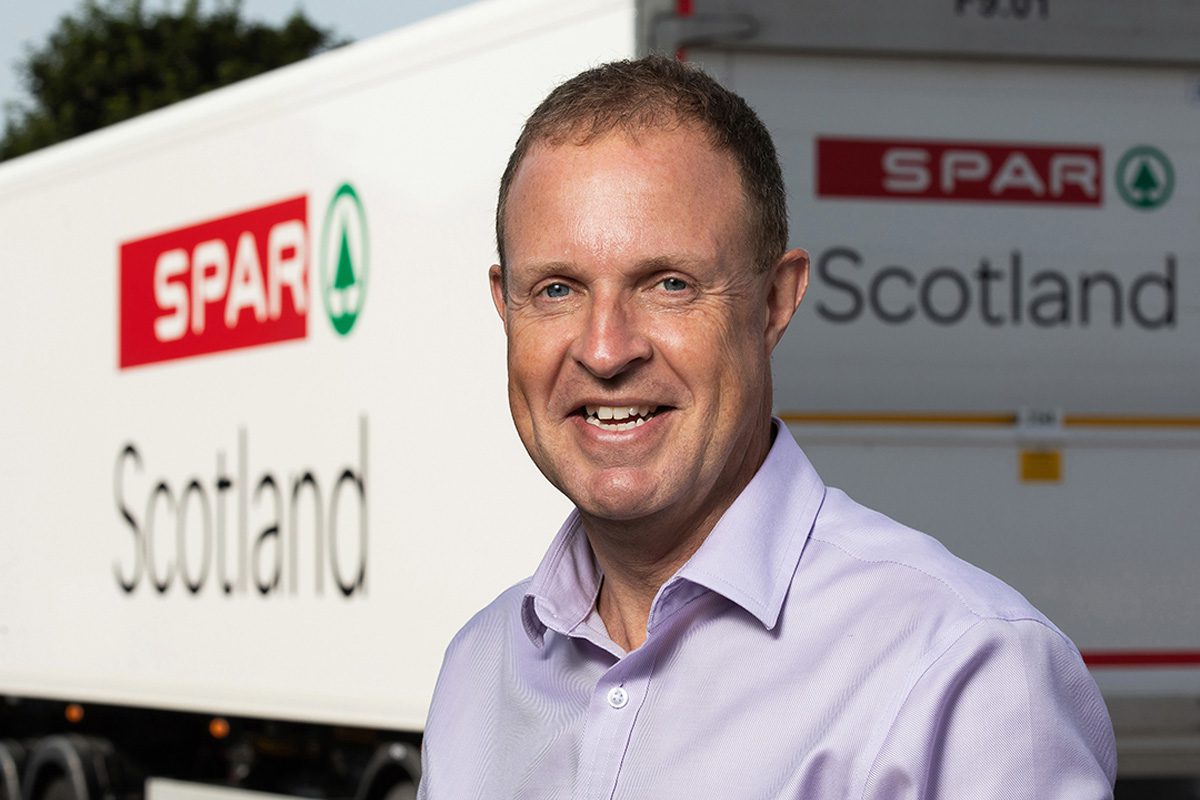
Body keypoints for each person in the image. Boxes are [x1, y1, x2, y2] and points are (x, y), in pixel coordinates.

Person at [417, 56, 1116, 799]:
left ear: (776, 303)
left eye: (669, 284)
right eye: (557, 289)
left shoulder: (966, 676)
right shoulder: (476, 674)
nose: (605, 349)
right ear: (505, 309)